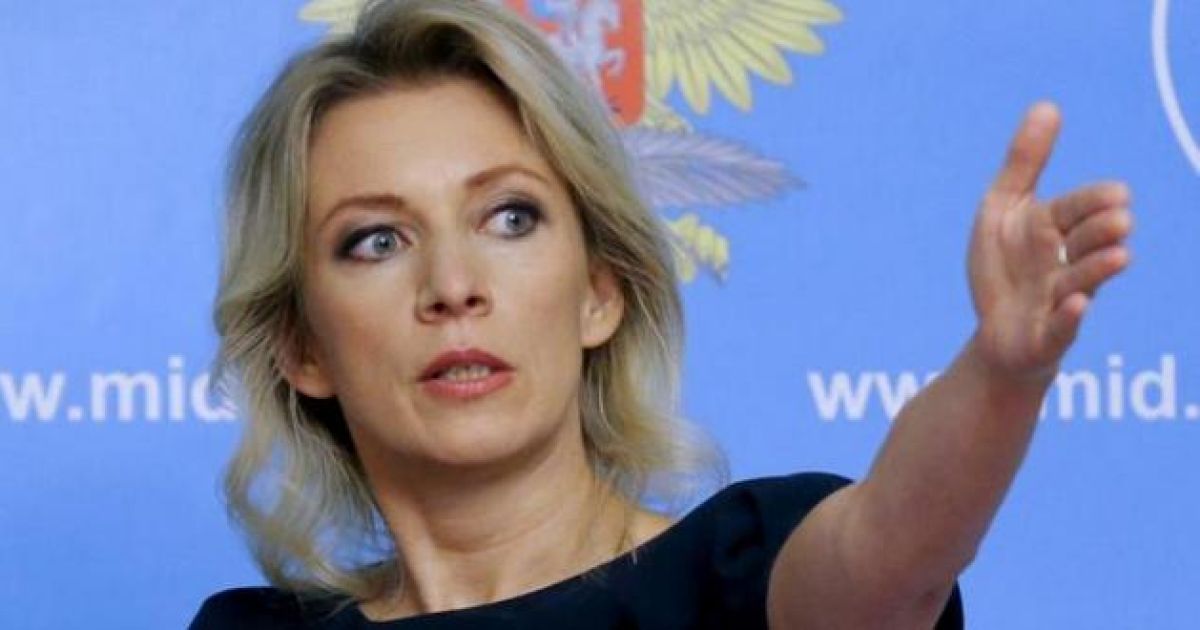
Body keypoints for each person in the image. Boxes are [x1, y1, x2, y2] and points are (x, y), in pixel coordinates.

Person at [189, 0, 1134, 627]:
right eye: (376, 241)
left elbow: (894, 556)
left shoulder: (741, 573)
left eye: (509, 218)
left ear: (600, 292)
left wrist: (1002, 371)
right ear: (302, 346)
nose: (453, 284)